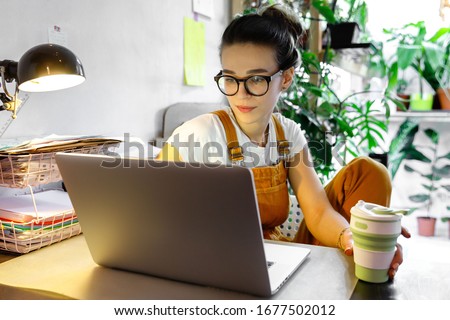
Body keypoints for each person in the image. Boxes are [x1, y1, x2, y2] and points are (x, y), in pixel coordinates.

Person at [158, 4, 410, 280]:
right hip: (222, 265)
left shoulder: (287, 133)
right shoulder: (199, 134)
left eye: (256, 79)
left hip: (279, 257)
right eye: (230, 78)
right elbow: (151, 205)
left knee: (369, 172)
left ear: (286, 78)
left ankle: (363, 263)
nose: (241, 94)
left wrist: (352, 236)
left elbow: (318, 212)